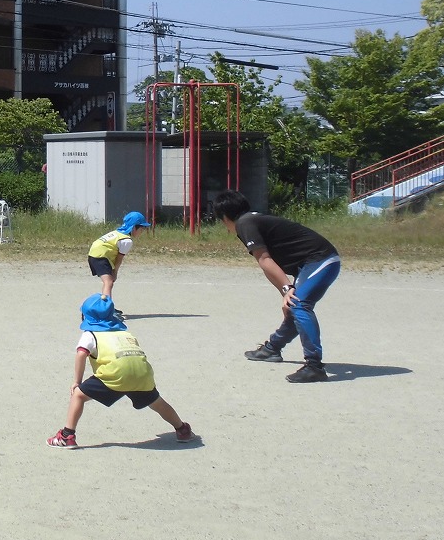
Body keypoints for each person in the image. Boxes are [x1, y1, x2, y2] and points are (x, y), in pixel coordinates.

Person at [212, 190, 341, 384]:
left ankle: (315, 366)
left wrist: (287, 289)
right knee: (294, 306)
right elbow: (267, 264)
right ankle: (272, 348)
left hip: (320, 261)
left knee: (299, 305)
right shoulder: (251, 220)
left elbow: (264, 259)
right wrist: (285, 291)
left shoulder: (244, 224)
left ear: (224, 217)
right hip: (312, 263)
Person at [47, 294, 195, 449]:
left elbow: (81, 354)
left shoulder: (90, 334)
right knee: (157, 402)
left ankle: (67, 436)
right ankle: (182, 429)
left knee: (78, 395)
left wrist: (77, 381)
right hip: (142, 374)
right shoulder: (126, 334)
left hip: (115, 375)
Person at [87, 211, 151, 304]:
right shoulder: (126, 240)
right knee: (108, 282)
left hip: (94, 255)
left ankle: (107, 306)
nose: (142, 232)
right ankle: (106, 308)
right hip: (100, 257)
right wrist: (115, 272)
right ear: (134, 228)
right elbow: (119, 259)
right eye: (141, 229)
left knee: (108, 282)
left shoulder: (117, 233)